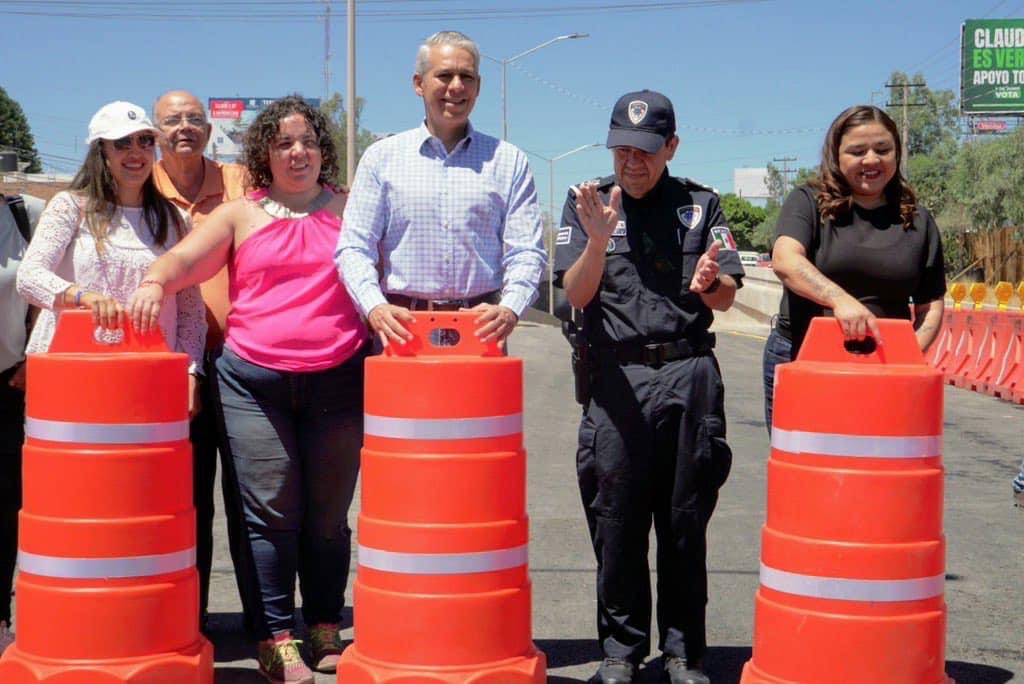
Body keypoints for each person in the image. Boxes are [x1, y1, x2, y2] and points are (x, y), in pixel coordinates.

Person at [128, 95, 367, 684]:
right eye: (284, 142)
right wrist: (155, 282)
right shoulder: (239, 214)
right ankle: (276, 637)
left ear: (323, 150)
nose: (298, 152)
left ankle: (325, 625)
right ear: (265, 153)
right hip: (253, 383)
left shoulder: (353, 208)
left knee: (329, 517)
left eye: (308, 141)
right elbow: (185, 260)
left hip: (339, 379)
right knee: (271, 514)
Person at [554, 90, 744, 684]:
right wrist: (595, 240)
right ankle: (621, 650)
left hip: (688, 374)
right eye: (622, 150)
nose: (632, 162)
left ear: (671, 147)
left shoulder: (700, 206)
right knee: (616, 519)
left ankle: (684, 653)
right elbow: (575, 293)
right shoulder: (586, 203)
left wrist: (711, 283)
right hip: (616, 380)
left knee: (684, 521)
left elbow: (726, 297)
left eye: (645, 151)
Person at [336, 30, 546, 348]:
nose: (456, 86)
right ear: (418, 83)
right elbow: (354, 248)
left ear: (478, 86)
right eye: (445, 75)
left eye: (467, 77)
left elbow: (527, 251)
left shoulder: (509, 161)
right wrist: (374, 307)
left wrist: (510, 309)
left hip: (481, 331)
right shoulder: (381, 158)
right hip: (402, 331)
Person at [762, 105, 946, 430]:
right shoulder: (808, 202)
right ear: (836, 155)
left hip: (888, 366)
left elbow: (930, 304)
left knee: (879, 458)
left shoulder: (919, 221)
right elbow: (785, 260)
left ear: (897, 153)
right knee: (807, 460)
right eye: (858, 151)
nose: (871, 160)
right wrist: (839, 300)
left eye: (883, 150)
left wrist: (907, 353)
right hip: (803, 357)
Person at [16, 100, 205, 400]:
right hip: (71, 371)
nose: (136, 152)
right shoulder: (70, 207)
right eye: (122, 142)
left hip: (148, 375)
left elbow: (190, 309)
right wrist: (83, 297)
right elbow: (29, 277)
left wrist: (190, 370)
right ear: (101, 151)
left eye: (145, 140)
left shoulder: (175, 220)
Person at [151, 89, 254, 633]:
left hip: (242, 363)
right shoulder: (141, 186)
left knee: (249, 498)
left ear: (210, 132)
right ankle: (188, 618)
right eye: (173, 120)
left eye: (194, 119)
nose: (184, 127)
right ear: (156, 133)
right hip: (171, 366)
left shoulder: (239, 182)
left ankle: (264, 622)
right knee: (184, 498)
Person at [0, 191, 44, 655]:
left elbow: (47, 289)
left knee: (3, 507)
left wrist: (33, 355)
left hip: (5, 384)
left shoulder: (25, 215)